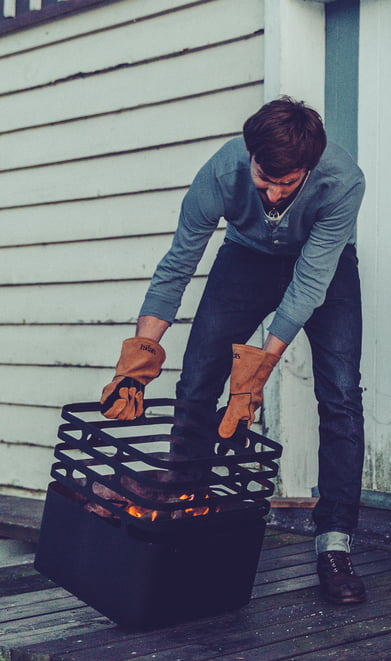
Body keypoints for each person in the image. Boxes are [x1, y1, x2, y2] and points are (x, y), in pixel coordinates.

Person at [99, 97, 367, 605]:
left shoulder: (343, 181)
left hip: (324, 271)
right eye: (264, 177)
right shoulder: (223, 171)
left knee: (341, 396)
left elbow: (308, 287)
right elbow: (177, 264)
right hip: (244, 259)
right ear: (250, 155)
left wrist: (254, 375)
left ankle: (334, 545)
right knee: (197, 380)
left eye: (287, 184)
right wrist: (139, 358)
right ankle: (185, 516)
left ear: (309, 168)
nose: (271, 192)